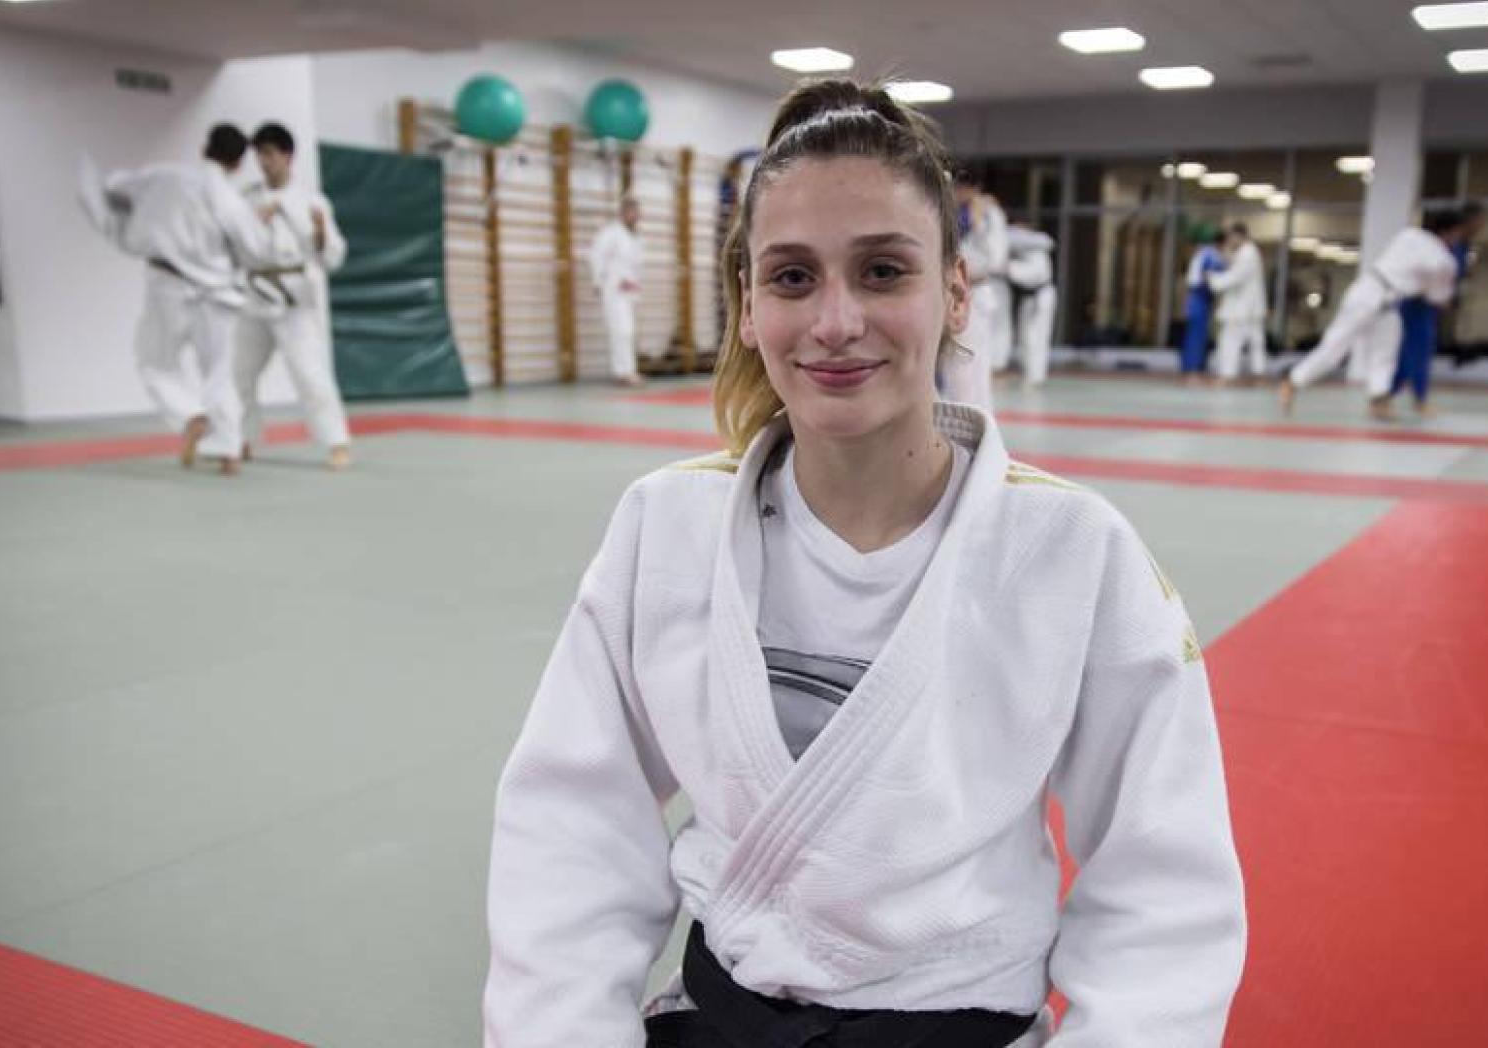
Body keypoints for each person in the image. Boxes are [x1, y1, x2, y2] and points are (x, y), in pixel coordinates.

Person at [483, 78, 1246, 1048]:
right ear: (749, 307)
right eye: (793, 277)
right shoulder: (664, 527)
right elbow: (570, 825)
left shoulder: (1074, 554)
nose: (835, 321)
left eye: (883, 271)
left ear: (956, 291)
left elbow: (1162, 887)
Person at [78, 124, 278, 474]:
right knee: (217, 373)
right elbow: (257, 251)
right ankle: (228, 449)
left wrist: (140, 213)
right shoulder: (231, 201)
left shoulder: (165, 175)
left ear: (205, 148)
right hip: (217, 296)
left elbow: (111, 186)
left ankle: (190, 415)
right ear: (239, 163)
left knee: (154, 361)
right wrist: (258, 223)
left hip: (168, 285)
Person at [234, 122, 353, 470]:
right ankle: (242, 438)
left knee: (309, 371)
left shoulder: (312, 201)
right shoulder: (247, 198)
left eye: (269, 154)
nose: (263, 161)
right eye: (259, 155)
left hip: (293, 299)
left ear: (288, 156)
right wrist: (255, 223)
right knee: (239, 372)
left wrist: (318, 233)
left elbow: (333, 255)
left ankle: (336, 441)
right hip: (255, 294)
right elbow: (235, 246)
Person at [1279, 207, 1468, 420]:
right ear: (1450, 231)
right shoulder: (1443, 260)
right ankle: (1292, 381)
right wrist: (1448, 298)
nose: (1458, 239)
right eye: (1458, 233)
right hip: (1371, 294)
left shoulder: (1408, 235)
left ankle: (1379, 401)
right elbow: (1438, 298)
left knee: (1386, 352)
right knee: (1336, 347)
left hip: (1385, 300)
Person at [1389, 202, 1483, 415]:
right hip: (1417, 301)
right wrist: (1440, 295)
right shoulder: (1435, 246)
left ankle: (1391, 396)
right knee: (1417, 350)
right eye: (1478, 221)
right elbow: (1428, 275)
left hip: (1431, 303)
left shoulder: (1461, 247)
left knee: (1413, 352)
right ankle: (1414, 399)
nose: (1481, 226)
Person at [943, 169, 1007, 410]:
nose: (958, 192)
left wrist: (978, 223)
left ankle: (974, 416)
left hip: (975, 294)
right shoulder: (950, 211)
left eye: (962, 187)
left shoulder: (989, 214)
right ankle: (958, 413)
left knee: (971, 363)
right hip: (949, 291)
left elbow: (995, 259)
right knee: (953, 366)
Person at [591, 195, 647, 387]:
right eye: (633, 212)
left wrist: (636, 284)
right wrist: (598, 281)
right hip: (613, 289)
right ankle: (622, 372)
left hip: (628, 291)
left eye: (638, 212)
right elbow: (596, 256)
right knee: (620, 331)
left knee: (628, 331)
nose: (637, 216)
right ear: (624, 213)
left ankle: (628, 370)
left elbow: (636, 265)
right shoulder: (610, 234)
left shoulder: (636, 237)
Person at [1208, 222, 1268, 383]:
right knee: (1256, 342)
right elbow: (1234, 266)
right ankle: (1258, 374)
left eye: (1231, 237)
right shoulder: (1247, 252)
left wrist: (1214, 280)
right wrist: (1227, 253)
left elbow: (1236, 277)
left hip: (1242, 308)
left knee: (1230, 340)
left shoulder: (1248, 253)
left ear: (1238, 236)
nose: (1229, 240)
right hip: (1249, 308)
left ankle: (1228, 375)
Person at [1007, 223, 1058, 388]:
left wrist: (1007, 267)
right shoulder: (1023, 248)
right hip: (1028, 296)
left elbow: (1031, 274)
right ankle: (1029, 372)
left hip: (1041, 295)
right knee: (1025, 336)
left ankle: (1035, 376)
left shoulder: (1037, 248)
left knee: (1036, 336)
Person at [1179, 231, 1222, 379]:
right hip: (1201, 296)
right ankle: (1194, 367)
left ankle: (1190, 366)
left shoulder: (1199, 255)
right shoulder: (1210, 254)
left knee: (1194, 333)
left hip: (1196, 295)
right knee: (1197, 334)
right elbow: (1211, 274)